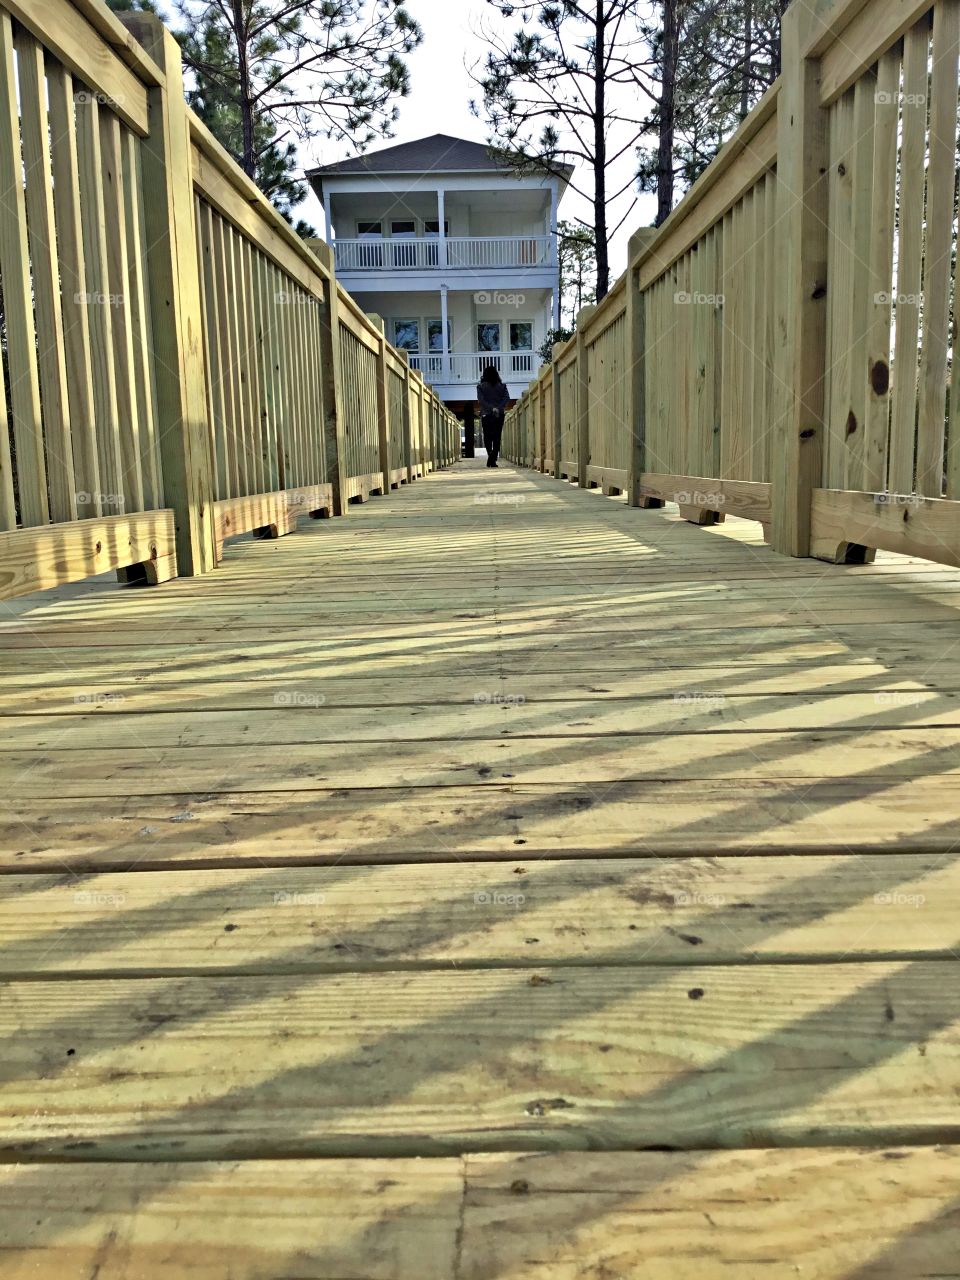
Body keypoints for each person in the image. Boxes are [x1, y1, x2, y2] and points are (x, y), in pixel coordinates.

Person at [476, 365, 510, 468]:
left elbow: (481, 400)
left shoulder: (480, 387)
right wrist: (497, 408)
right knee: (497, 436)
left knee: (487, 436)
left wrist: (491, 408)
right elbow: (506, 398)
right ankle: (493, 459)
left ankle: (490, 456)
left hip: (486, 414)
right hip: (499, 414)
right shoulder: (502, 386)